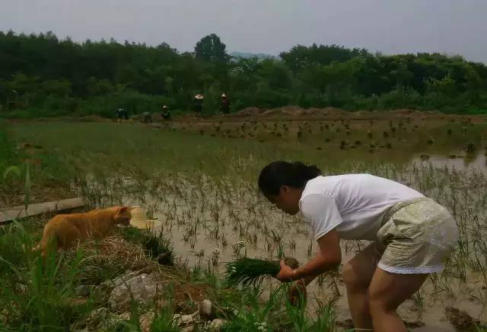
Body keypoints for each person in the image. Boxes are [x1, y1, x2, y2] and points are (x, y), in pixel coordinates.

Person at [258, 161, 458, 332]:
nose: (279, 208)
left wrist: (293, 275)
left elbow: (331, 257)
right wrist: (302, 281)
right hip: (420, 223)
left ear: (285, 189)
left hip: (417, 225)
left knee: (380, 303)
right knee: (354, 274)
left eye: (275, 201)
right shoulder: (320, 189)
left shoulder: (312, 198)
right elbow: (328, 255)